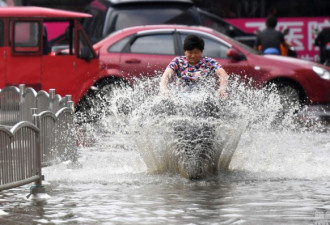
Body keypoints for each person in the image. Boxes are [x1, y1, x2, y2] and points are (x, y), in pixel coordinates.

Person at [159, 34, 228, 97]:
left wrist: (222, 88)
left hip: (202, 97)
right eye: (190, 52)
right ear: (185, 51)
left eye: (196, 52)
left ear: (201, 51)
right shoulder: (178, 61)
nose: (193, 56)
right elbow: (166, 74)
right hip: (181, 97)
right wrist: (164, 88)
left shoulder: (208, 62)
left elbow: (222, 73)